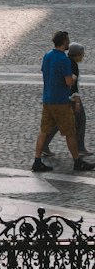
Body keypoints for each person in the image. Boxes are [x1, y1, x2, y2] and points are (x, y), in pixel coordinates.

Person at [32, 30, 93, 172]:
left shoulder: (47, 56)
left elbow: (45, 72)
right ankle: (78, 162)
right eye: (68, 40)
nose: (69, 43)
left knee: (44, 131)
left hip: (47, 99)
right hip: (60, 101)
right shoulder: (64, 60)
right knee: (70, 132)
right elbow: (68, 82)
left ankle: (37, 161)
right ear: (64, 42)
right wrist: (73, 79)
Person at [41, 43, 88, 159]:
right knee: (80, 120)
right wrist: (76, 101)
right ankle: (80, 148)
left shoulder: (68, 62)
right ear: (76, 55)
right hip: (68, 98)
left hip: (61, 96)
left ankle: (44, 145)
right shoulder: (73, 66)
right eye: (82, 54)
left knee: (57, 123)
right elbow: (72, 85)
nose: (83, 56)